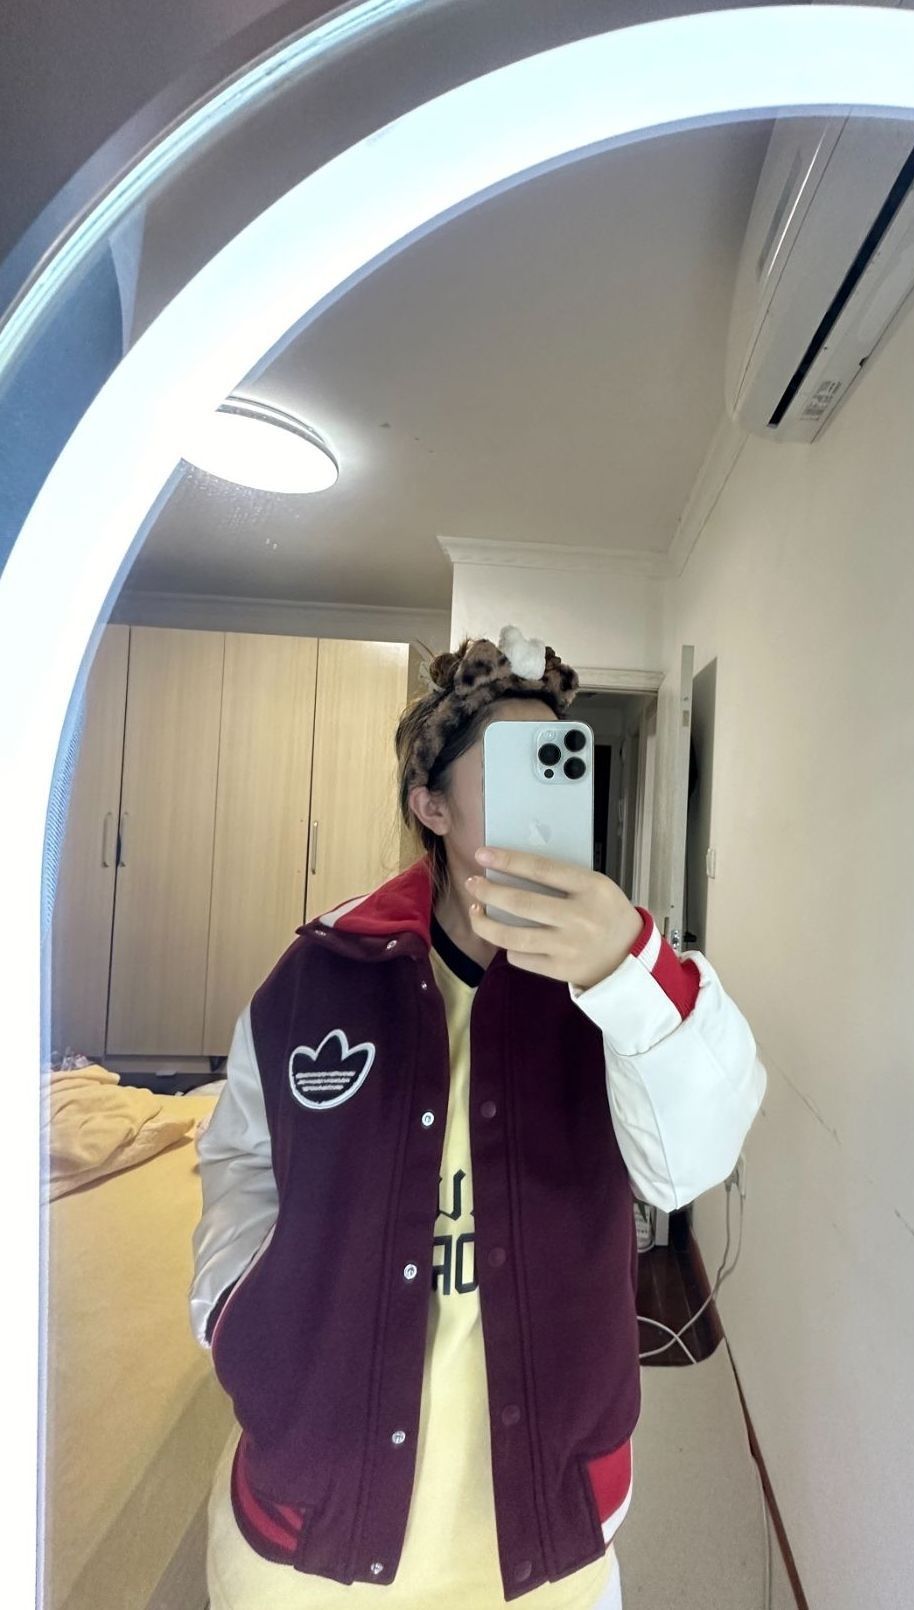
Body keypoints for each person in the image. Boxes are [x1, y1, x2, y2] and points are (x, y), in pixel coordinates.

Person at [190, 626, 766, 1610]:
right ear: (432, 804)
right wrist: (239, 1306)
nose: (546, 784)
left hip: (546, 1538)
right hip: (307, 1524)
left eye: (559, 761)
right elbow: (240, 1158)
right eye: (512, 761)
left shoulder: (619, 986)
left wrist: (626, 966)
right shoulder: (322, 972)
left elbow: (689, 1165)